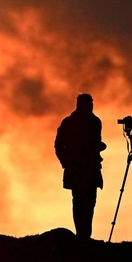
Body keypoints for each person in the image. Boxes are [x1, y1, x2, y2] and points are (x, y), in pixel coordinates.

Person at [54, 93, 106, 239]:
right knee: (79, 202)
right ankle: (81, 235)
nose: (90, 106)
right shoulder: (69, 122)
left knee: (89, 202)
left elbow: (95, 141)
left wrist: (97, 147)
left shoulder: (95, 122)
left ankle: (85, 235)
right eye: (87, 104)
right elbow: (59, 145)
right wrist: (66, 163)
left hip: (90, 168)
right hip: (77, 169)